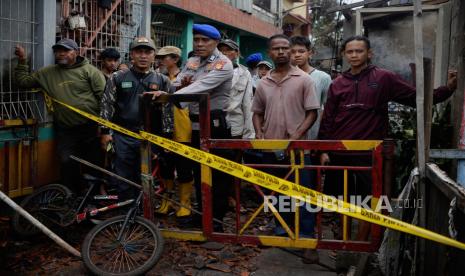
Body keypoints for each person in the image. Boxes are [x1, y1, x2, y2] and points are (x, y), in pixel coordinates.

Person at [318, 35, 458, 241]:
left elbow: (416, 98)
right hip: (340, 151)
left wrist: (448, 89)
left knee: (371, 198)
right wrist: (323, 149)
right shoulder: (338, 83)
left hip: (370, 153)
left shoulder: (384, 78)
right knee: (340, 198)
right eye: (350, 51)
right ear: (344, 55)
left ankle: (365, 242)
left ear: (369, 53)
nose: (354, 55)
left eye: (359, 51)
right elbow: (328, 118)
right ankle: (343, 236)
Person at [251, 34, 319, 259]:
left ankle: (307, 238)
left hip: (299, 150)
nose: (281, 52)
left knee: (303, 195)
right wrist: (260, 133)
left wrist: (297, 136)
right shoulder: (263, 82)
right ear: (269, 52)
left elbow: (312, 113)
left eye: (285, 48)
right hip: (271, 148)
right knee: (277, 192)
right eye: (276, 49)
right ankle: (282, 232)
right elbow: (257, 113)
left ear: (291, 51)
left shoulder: (304, 79)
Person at [14, 38, 105, 193]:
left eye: (66, 50)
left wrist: (103, 128)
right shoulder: (47, 73)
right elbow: (23, 82)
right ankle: (72, 196)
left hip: (90, 127)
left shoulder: (90, 71)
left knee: (93, 163)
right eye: (57, 51)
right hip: (65, 129)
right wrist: (22, 61)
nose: (60, 54)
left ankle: (94, 196)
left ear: (76, 52)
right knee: (67, 162)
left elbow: (104, 99)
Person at [174, 24, 234, 231]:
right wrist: (178, 88)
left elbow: (200, 87)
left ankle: (216, 219)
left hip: (216, 126)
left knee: (217, 175)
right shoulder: (192, 61)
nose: (199, 44)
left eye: (204, 40)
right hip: (196, 125)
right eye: (196, 39)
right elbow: (176, 82)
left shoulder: (223, 64)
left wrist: (177, 93)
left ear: (216, 42)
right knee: (199, 172)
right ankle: (202, 214)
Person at [100, 36, 172, 200]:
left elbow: (168, 112)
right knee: (123, 176)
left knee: (146, 176)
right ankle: (126, 215)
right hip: (122, 135)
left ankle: (142, 215)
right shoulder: (117, 77)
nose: (143, 56)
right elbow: (107, 105)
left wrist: (167, 137)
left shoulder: (163, 80)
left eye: (147, 52)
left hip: (150, 136)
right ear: (132, 54)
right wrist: (105, 132)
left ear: (153, 55)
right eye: (139, 51)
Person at [154, 46, 195, 218]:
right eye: (160, 57)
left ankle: (185, 203)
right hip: (163, 130)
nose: (161, 60)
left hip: (183, 129)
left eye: (165, 57)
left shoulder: (187, 78)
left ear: (175, 59)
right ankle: (168, 200)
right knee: (166, 167)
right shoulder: (158, 78)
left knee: (184, 169)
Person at [290, 36, 331, 140]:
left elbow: (328, 110)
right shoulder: (284, 77)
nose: (297, 55)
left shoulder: (323, 78)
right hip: (286, 134)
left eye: (301, 51)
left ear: (310, 53)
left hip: (313, 136)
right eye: (293, 52)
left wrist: (322, 135)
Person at [217, 39, 254, 139]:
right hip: (213, 123)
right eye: (220, 50)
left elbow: (248, 104)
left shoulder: (244, 73)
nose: (224, 53)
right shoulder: (210, 70)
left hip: (235, 125)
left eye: (229, 50)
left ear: (237, 53)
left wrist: (249, 133)